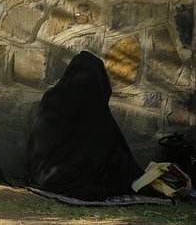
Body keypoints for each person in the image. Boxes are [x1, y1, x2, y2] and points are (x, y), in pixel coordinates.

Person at [26, 51, 143, 201]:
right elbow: (110, 147)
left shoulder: (53, 97)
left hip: (44, 174)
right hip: (59, 173)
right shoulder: (94, 106)